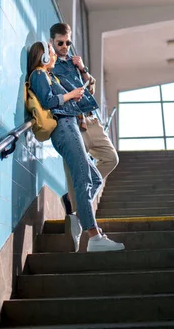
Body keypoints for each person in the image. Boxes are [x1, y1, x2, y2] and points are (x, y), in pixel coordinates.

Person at [27, 40, 124, 252]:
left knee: (95, 177)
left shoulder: (49, 75)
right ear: (43, 57)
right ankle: (94, 237)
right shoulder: (39, 75)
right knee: (82, 178)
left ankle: (80, 215)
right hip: (64, 129)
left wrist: (79, 92)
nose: (54, 55)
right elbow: (49, 101)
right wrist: (71, 95)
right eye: (51, 52)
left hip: (70, 125)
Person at [49, 23, 119, 218]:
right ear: (52, 41)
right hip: (70, 125)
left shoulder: (74, 63)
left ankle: (73, 199)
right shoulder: (50, 65)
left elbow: (90, 89)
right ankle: (78, 209)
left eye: (67, 42)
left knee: (112, 158)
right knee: (75, 176)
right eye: (60, 42)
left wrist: (82, 68)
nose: (64, 46)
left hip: (90, 121)